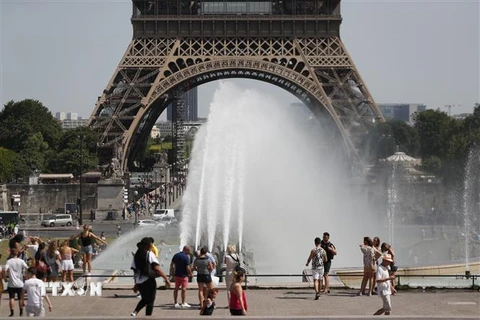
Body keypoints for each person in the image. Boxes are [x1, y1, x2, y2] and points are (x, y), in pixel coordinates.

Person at [130, 237, 171, 317]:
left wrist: (136, 283)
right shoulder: (149, 254)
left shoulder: (136, 255)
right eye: (150, 245)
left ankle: (135, 312)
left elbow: (135, 270)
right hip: (149, 280)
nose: (151, 246)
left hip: (140, 282)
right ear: (147, 246)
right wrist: (166, 278)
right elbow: (157, 268)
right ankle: (147, 316)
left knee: (145, 299)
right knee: (150, 300)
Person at [4, 248, 28, 317]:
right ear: (17, 253)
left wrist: (5, 277)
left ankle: (12, 312)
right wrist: (26, 276)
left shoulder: (9, 261)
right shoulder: (21, 261)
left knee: (12, 298)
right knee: (20, 298)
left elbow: (5, 270)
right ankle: (21, 312)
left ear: (11, 253)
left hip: (11, 283)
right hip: (20, 282)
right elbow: (27, 268)